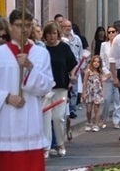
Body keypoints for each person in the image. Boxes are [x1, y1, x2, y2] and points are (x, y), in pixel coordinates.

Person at [0, 9, 55, 171]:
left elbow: (46, 87)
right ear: (10, 27)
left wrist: (30, 68)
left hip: (31, 122)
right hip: (7, 123)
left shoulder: (41, 54)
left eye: (28, 25)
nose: (24, 30)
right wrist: (6, 97)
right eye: (19, 25)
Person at [42, 22, 76, 159]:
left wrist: (73, 75)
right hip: (45, 88)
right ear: (45, 35)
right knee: (45, 118)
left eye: (54, 33)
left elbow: (72, 65)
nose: (52, 36)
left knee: (59, 117)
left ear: (58, 34)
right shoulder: (42, 49)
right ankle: (46, 147)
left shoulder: (64, 48)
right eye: (49, 33)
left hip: (61, 87)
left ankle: (60, 144)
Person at [100, 26, 120, 129]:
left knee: (117, 99)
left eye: (113, 31)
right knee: (107, 99)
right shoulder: (104, 45)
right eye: (109, 32)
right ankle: (104, 118)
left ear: (117, 32)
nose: (111, 34)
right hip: (108, 74)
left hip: (117, 73)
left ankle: (116, 120)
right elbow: (102, 59)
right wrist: (105, 71)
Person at [82, 55, 105, 132]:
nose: (96, 63)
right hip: (89, 92)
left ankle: (96, 124)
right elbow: (84, 82)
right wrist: (83, 93)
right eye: (94, 61)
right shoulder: (88, 71)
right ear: (92, 62)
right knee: (88, 110)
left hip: (97, 92)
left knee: (96, 109)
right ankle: (88, 123)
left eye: (98, 62)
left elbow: (104, 80)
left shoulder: (100, 72)